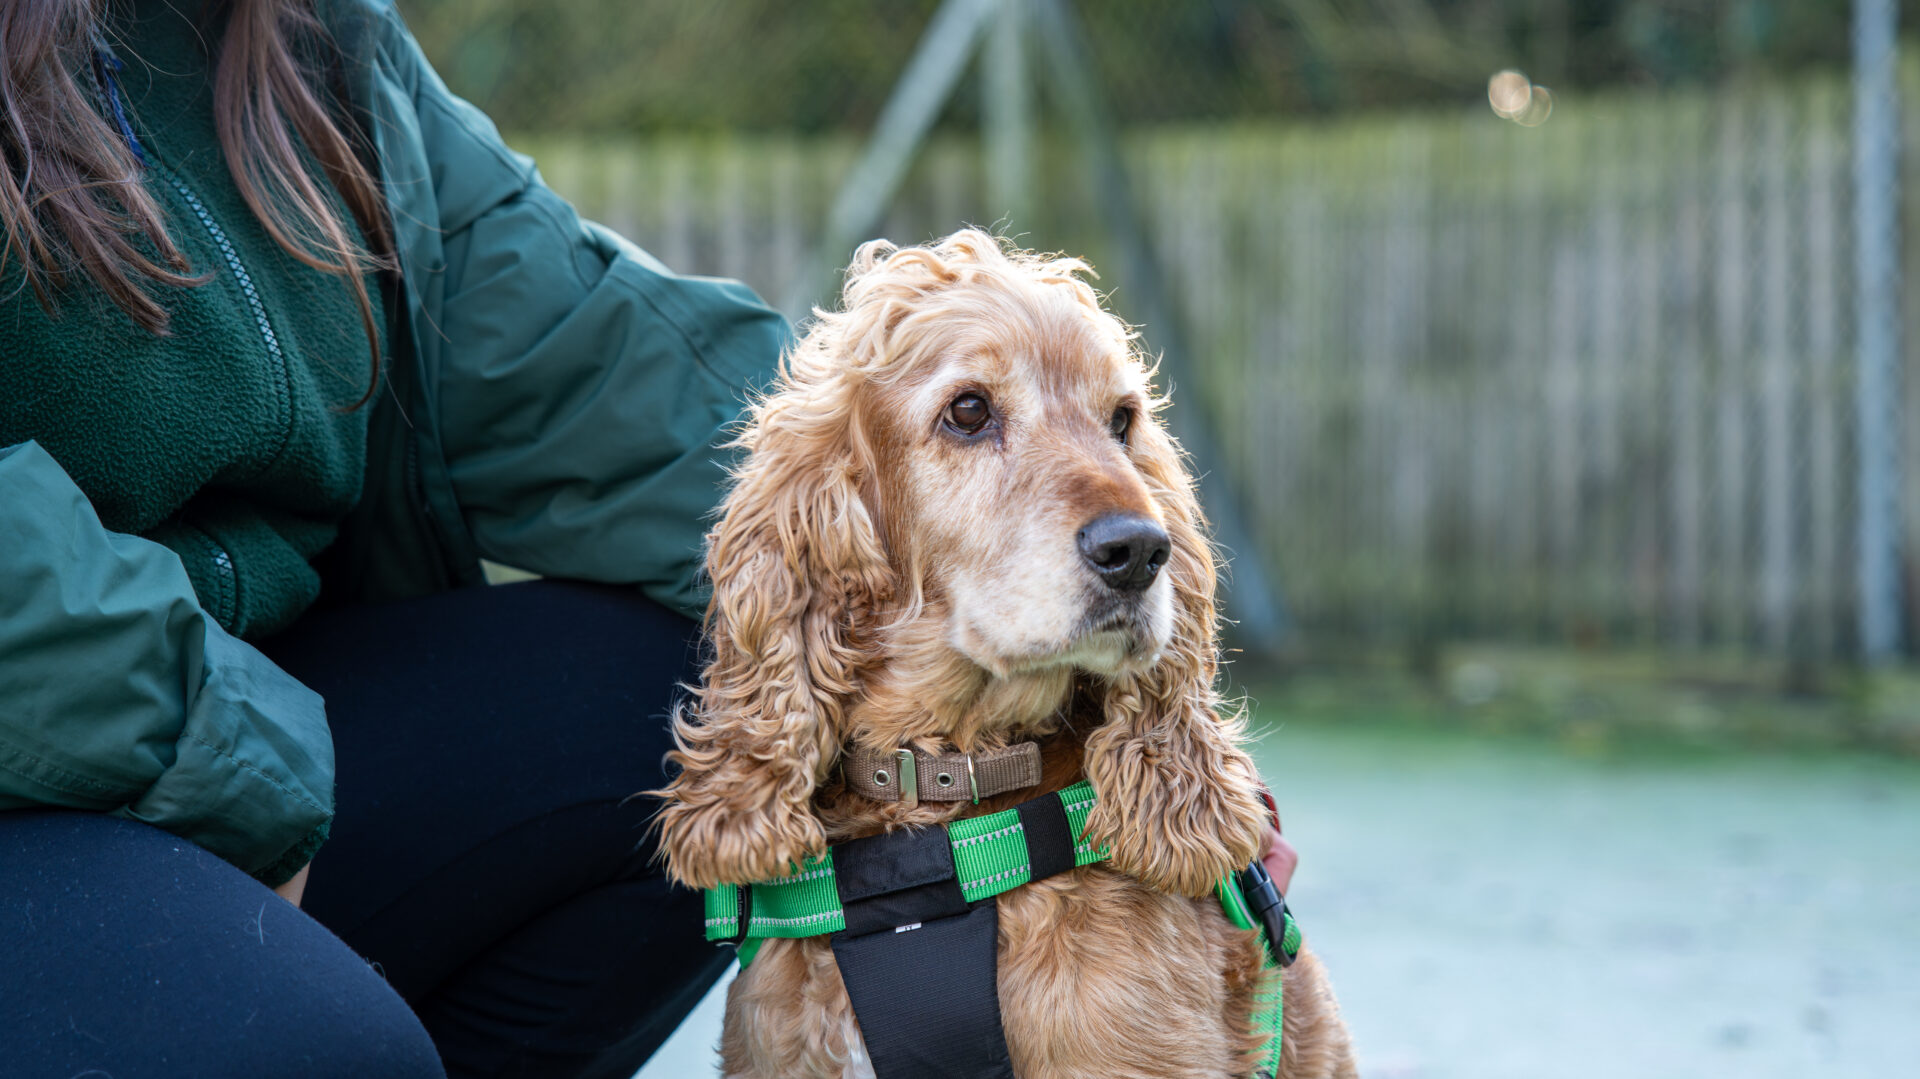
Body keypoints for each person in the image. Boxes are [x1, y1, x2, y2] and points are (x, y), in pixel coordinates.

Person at [0, 2, 1299, 1075]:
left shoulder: (305, 44)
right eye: (973, 419)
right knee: (319, 1052)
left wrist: (924, 483)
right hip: (49, 748)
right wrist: (221, 753)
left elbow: (611, 373)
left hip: (255, 699)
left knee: (671, 696)